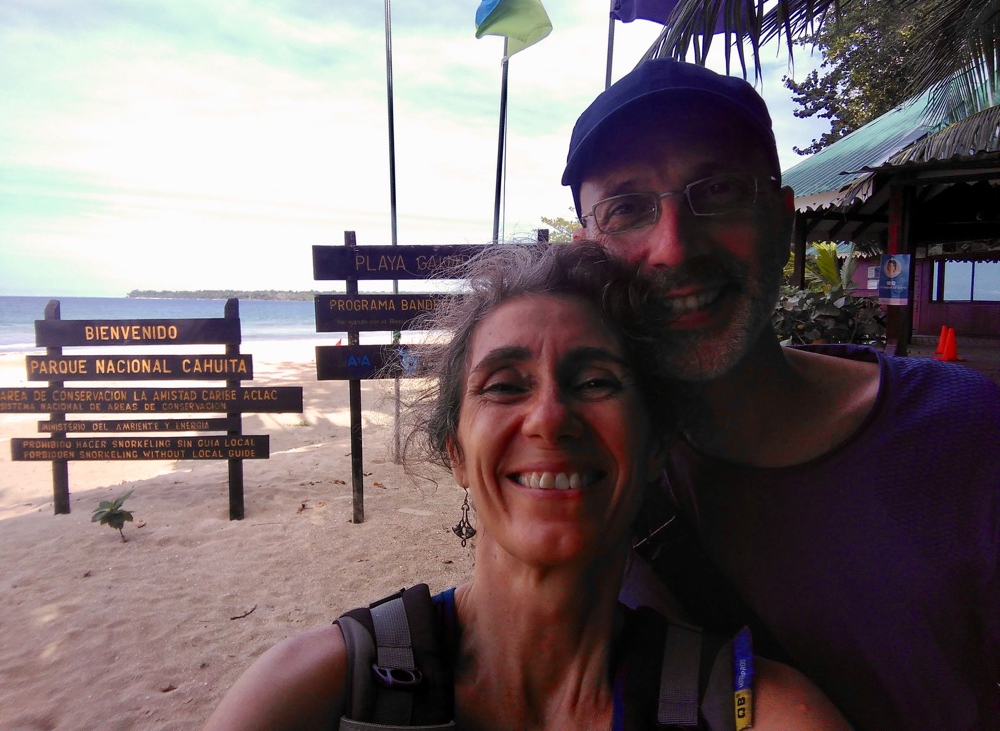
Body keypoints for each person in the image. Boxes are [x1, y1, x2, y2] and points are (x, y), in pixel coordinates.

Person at [201, 243, 849, 730]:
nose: (549, 418)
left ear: (654, 446)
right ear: (456, 453)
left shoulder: (754, 711)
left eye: (595, 382)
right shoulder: (316, 690)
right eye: (505, 386)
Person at [562, 57, 1000, 731]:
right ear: (585, 249)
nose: (674, 248)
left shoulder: (966, 434)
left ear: (781, 217)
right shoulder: (575, 469)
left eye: (719, 190)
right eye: (626, 209)